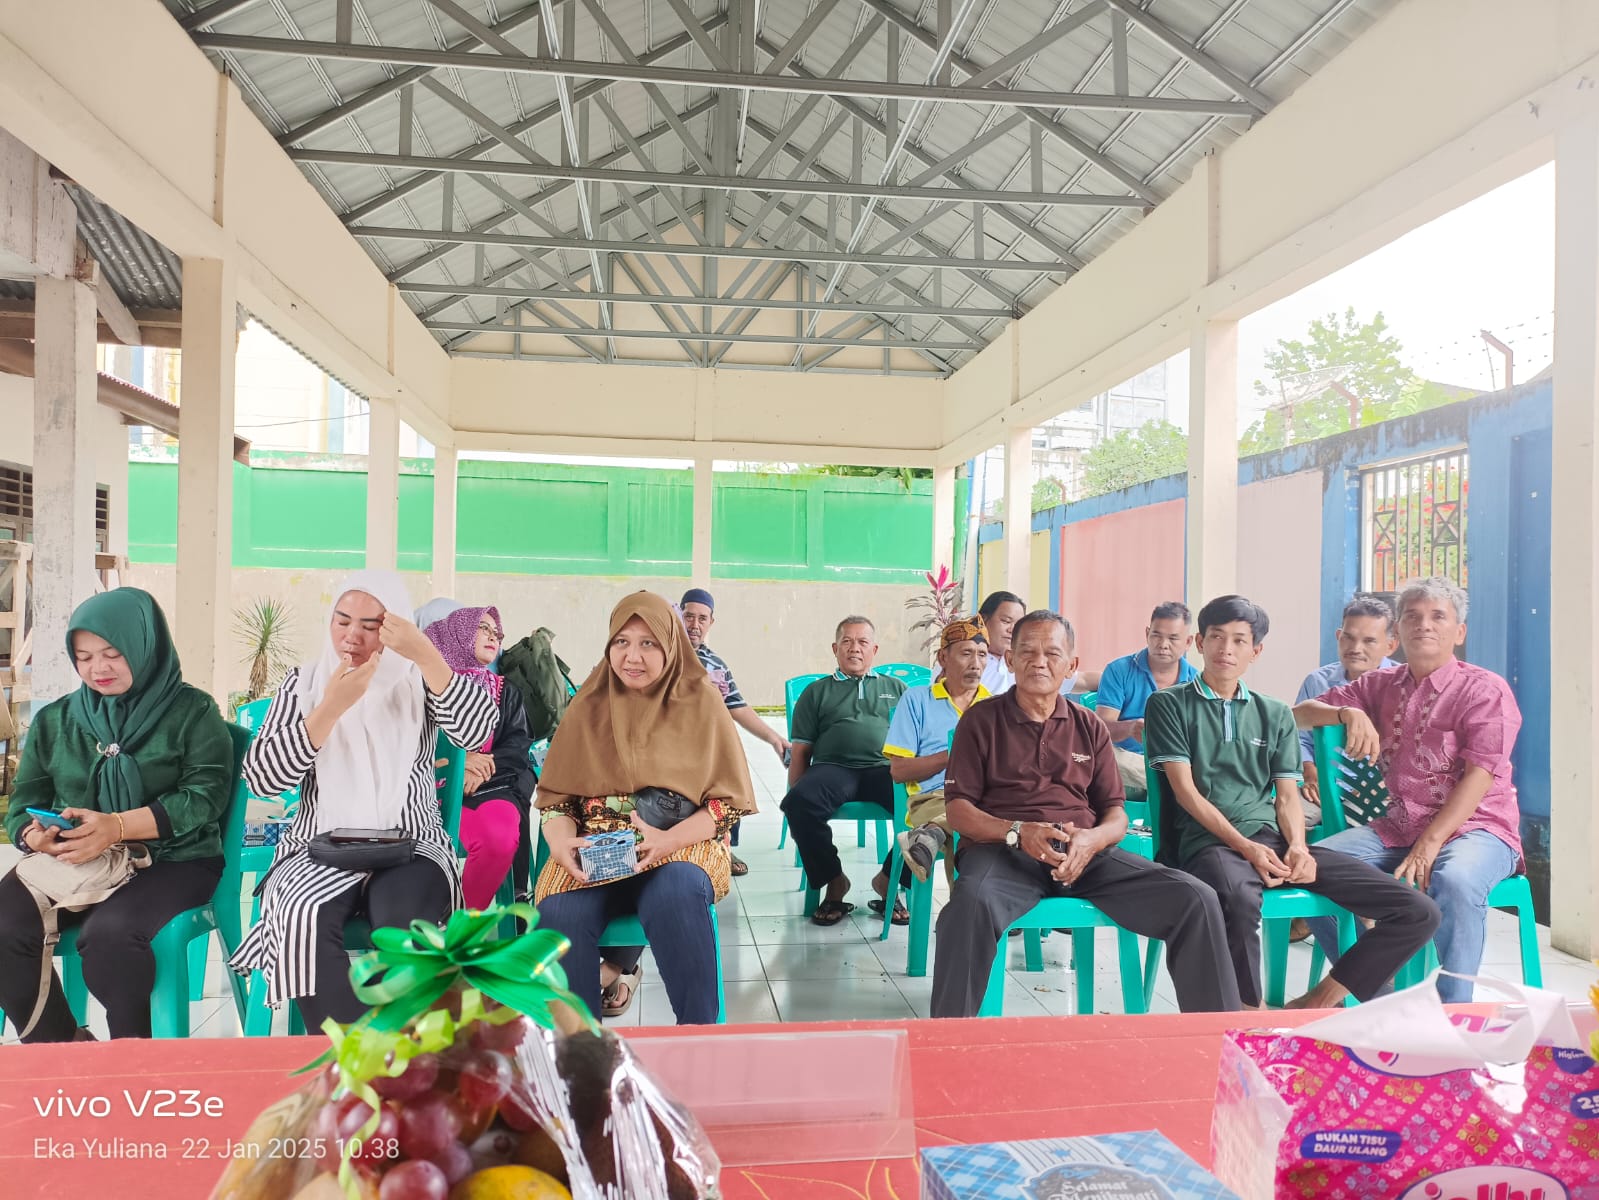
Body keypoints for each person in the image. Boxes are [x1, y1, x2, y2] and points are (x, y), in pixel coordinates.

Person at [929, 610, 1242, 1019]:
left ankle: (1218, 1041)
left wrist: (1093, 839)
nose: (1039, 662)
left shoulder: (1088, 725)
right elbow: (958, 811)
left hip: (1084, 855)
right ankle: (947, 1042)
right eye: (1027, 652)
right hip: (1004, 853)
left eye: (1052, 653)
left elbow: (1115, 813)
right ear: (1009, 660)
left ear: (1071, 665)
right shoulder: (980, 721)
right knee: (967, 908)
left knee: (1196, 898)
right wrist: (1018, 831)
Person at [228, 570, 498, 1030]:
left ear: (394, 631)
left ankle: (396, 1044)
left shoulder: (415, 679)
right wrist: (331, 706)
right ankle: (354, 1050)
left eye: (371, 626)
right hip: (319, 844)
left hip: (411, 842)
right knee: (302, 913)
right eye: (342, 620)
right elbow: (263, 778)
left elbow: (476, 730)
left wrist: (425, 654)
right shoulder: (305, 683)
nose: (352, 636)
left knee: (403, 923)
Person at [1143, 595, 1440, 1011]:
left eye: (1240, 640)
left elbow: (1286, 796)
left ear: (1256, 651)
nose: (1227, 649)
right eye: (1217, 637)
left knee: (1417, 911)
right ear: (1199, 642)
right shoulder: (1168, 704)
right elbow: (1185, 793)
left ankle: (1318, 1000)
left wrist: (1298, 846)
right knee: (1236, 898)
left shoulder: (1274, 713)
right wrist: (1246, 848)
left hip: (1273, 841)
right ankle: (1248, 1013)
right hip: (1205, 844)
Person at [0, 589, 233, 1043]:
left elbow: (205, 797)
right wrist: (35, 835)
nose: (98, 669)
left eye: (113, 653)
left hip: (174, 860)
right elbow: (25, 800)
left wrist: (117, 827)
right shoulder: (57, 719)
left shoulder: (194, 712)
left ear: (145, 645)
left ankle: (132, 1058)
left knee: (109, 937)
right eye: (84, 657)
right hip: (79, 860)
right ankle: (63, 1052)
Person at [1296, 578, 1523, 1004]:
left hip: (1479, 829)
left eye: (1438, 616)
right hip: (1399, 827)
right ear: (1398, 632)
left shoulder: (1485, 689)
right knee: (1308, 866)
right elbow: (1300, 715)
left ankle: (1454, 1013)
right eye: (1413, 616)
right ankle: (1377, 997)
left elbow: (1480, 776)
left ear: (1459, 631)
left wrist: (1430, 844)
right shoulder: (1381, 685)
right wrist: (1346, 713)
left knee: (1454, 880)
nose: (1424, 625)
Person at [534, 591, 754, 1026]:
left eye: (648, 643)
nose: (632, 656)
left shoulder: (701, 701)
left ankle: (698, 1039)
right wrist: (560, 844)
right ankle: (578, 1051)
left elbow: (727, 805)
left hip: (679, 846)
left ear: (671, 645)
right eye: (622, 642)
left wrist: (668, 840)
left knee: (676, 897)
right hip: (597, 851)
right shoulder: (589, 703)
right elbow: (557, 800)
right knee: (558, 914)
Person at [780, 616, 907, 926]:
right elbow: (802, 750)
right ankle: (835, 881)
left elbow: (914, 741)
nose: (855, 648)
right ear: (835, 649)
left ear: (874, 649)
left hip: (884, 768)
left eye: (863, 642)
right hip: (833, 768)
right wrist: (796, 793)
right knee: (798, 804)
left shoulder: (897, 688)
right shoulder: (816, 692)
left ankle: (889, 879)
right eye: (847, 642)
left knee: (926, 808)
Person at [423, 605, 534, 908]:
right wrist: (461, 762)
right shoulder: (422, 687)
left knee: (499, 840)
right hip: (428, 794)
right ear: (458, 633)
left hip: (488, 789)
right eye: (483, 628)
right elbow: (408, 744)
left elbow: (517, 747)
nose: (493, 637)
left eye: (497, 632)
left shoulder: (506, 691)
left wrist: (476, 771)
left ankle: (460, 921)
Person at [679, 586, 788, 877]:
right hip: (671, 745)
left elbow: (737, 706)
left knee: (731, 772)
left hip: (705, 746)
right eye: (689, 616)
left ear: (711, 623)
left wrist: (774, 738)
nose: (694, 624)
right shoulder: (663, 655)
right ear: (678, 616)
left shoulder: (716, 665)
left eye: (702, 618)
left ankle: (725, 844)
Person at [884, 615, 991, 885]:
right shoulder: (918, 700)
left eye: (982, 655)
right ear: (943, 658)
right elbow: (899, 771)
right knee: (966, 829)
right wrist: (956, 754)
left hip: (986, 798)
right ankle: (968, 911)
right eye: (966, 653)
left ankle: (931, 834)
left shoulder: (995, 707)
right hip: (932, 797)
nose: (976, 664)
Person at [1295, 595, 1399, 814]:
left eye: (1369, 641)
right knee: (1283, 816)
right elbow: (1299, 738)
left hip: (1382, 793)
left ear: (1390, 646)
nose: (1356, 648)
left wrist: (1376, 787)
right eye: (1348, 638)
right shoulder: (1317, 682)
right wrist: (1309, 772)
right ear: (1338, 636)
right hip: (1322, 787)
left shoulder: (1403, 685)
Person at [1094, 602, 1198, 798]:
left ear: (1188, 642)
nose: (1163, 644)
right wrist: (1130, 728)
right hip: (1126, 766)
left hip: (1175, 762)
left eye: (1173, 638)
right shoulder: (1118, 670)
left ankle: (1174, 783)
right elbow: (1099, 730)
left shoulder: (1196, 682)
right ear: (1147, 633)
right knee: (1101, 754)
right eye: (1157, 635)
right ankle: (1174, 784)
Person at [977, 591, 1027, 694]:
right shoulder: (963, 660)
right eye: (1006, 621)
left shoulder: (1025, 664)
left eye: (1018, 625)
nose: (1012, 630)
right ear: (983, 620)